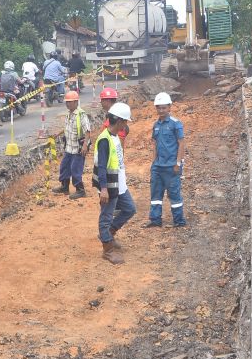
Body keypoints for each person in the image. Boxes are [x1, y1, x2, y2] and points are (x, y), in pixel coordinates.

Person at [94, 102, 136, 264]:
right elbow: (102, 166)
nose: (126, 125)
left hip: (119, 183)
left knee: (130, 209)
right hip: (109, 186)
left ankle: (109, 234)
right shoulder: (104, 139)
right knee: (106, 217)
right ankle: (107, 249)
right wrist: (103, 188)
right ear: (119, 121)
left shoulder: (114, 136)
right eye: (125, 121)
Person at [143, 92, 187, 228]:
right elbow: (155, 144)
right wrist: (153, 162)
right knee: (156, 194)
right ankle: (155, 220)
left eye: (163, 108)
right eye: (158, 108)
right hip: (158, 166)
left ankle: (179, 221)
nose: (161, 110)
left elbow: (181, 144)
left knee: (174, 195)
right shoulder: (156, 125)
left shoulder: (176, 124)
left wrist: (178, 163)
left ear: (169, 107)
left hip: (171, 166)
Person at [54, 90, 91, 199]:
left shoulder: (81, 115)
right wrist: (58, 133)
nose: (67, 104)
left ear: (76, 102)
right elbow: (67, 128)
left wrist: (85, 146)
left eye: (70, 102)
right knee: (64, 166)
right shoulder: (69, 115)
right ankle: (64, 187)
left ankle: (80, 190)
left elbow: (87, 131)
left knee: (75, 168)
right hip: (69, 147)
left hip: (78, 148)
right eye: (66, 102)